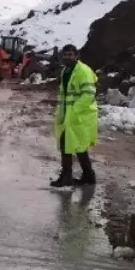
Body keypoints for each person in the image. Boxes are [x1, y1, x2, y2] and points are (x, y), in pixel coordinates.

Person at [51, 44, 98, 188]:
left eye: (70, 54)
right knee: (78, 146)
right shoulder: (66, 71)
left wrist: (75, 111)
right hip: (70, 115)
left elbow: (89, 94)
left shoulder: (83, 71)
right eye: (65, 55)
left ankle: (66, 178)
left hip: (80, 116)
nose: (67, 57)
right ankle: (89, 176)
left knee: (67, 145)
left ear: (77, 56)